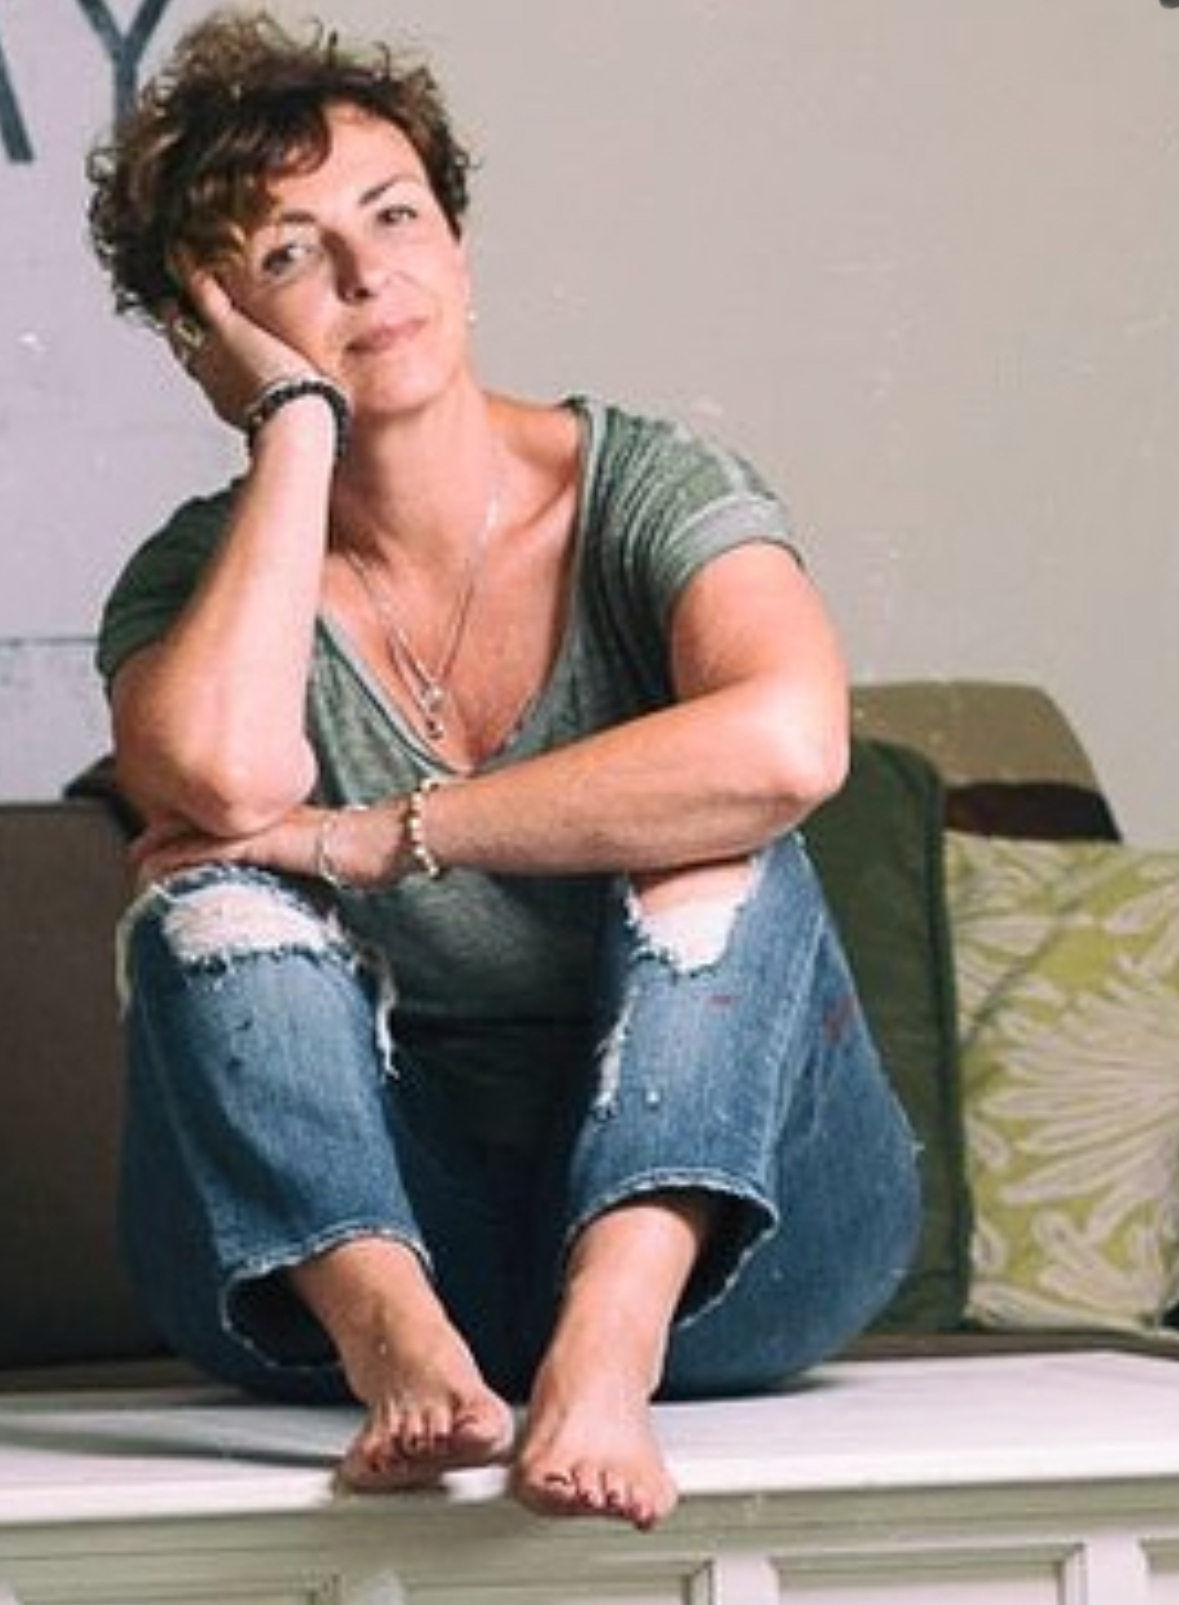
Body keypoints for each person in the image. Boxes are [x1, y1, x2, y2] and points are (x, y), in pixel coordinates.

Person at [86, 6, 920, 1532]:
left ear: (459, 247)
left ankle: (608, 1337)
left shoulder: (648, 488)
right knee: (206, 901)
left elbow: (791, 740)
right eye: (289, 252)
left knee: (725, 847)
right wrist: (296, 427)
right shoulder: (193, 582)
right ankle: (401, 1345)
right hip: (343, 1277)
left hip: (734, 1250)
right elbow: (222, 778)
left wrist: (380, 834)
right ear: (204, 332)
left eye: (396, 215)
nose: (366, 274)